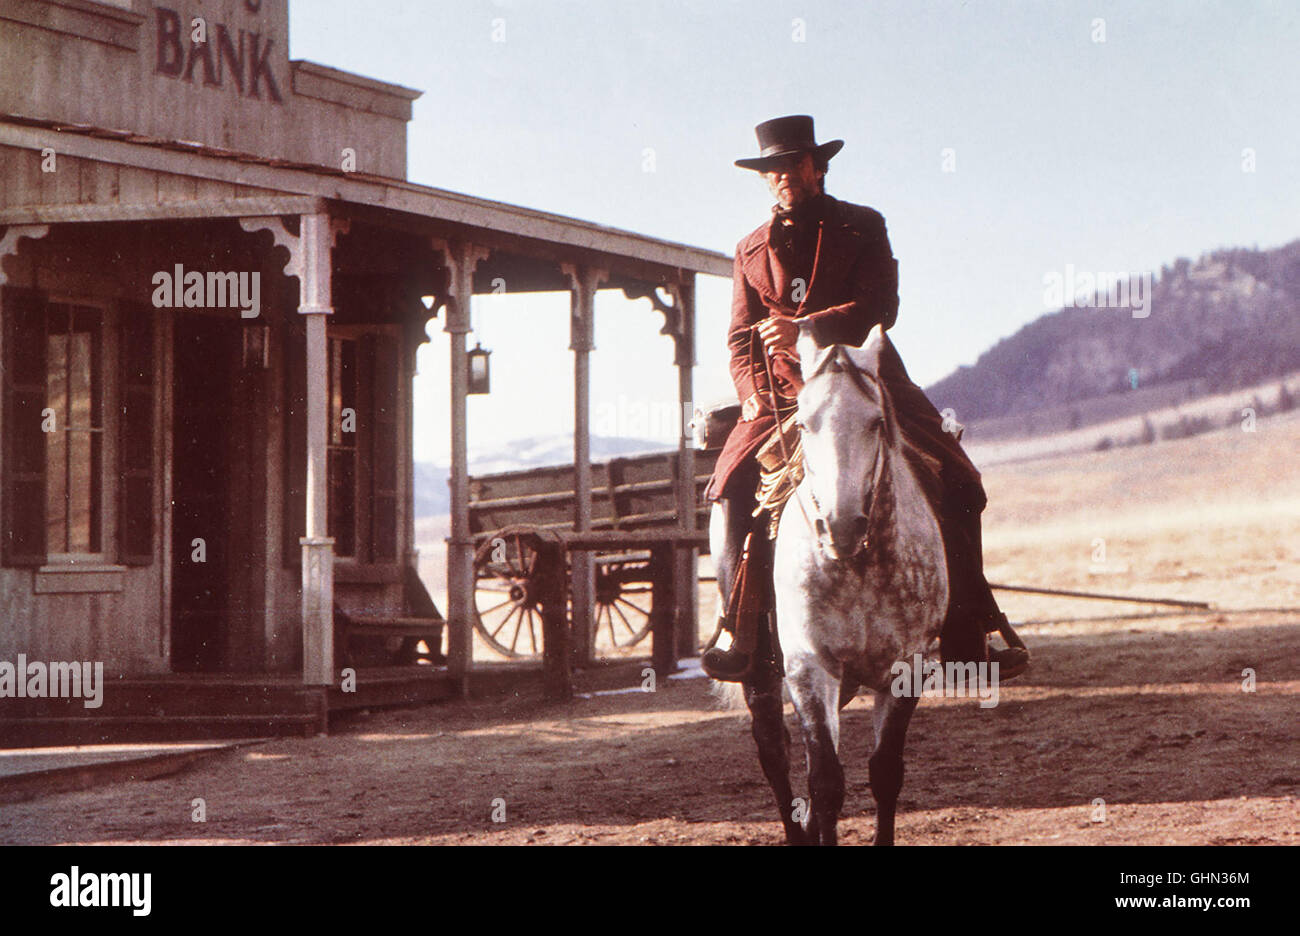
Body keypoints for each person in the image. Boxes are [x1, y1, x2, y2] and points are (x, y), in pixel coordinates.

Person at [700, 115, 1029, 684]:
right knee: (729, 491)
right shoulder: (748, 249)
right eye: (771, 170)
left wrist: (805, 327)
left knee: (959, 480)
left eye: (792, 165)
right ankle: (740, 632)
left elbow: (881, 306)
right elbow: (738, 339)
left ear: (817, 166)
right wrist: (752, 394)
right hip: (783, 393)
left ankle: (970, 630)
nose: (782, 177)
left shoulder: (863, 226)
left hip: (866, 374)